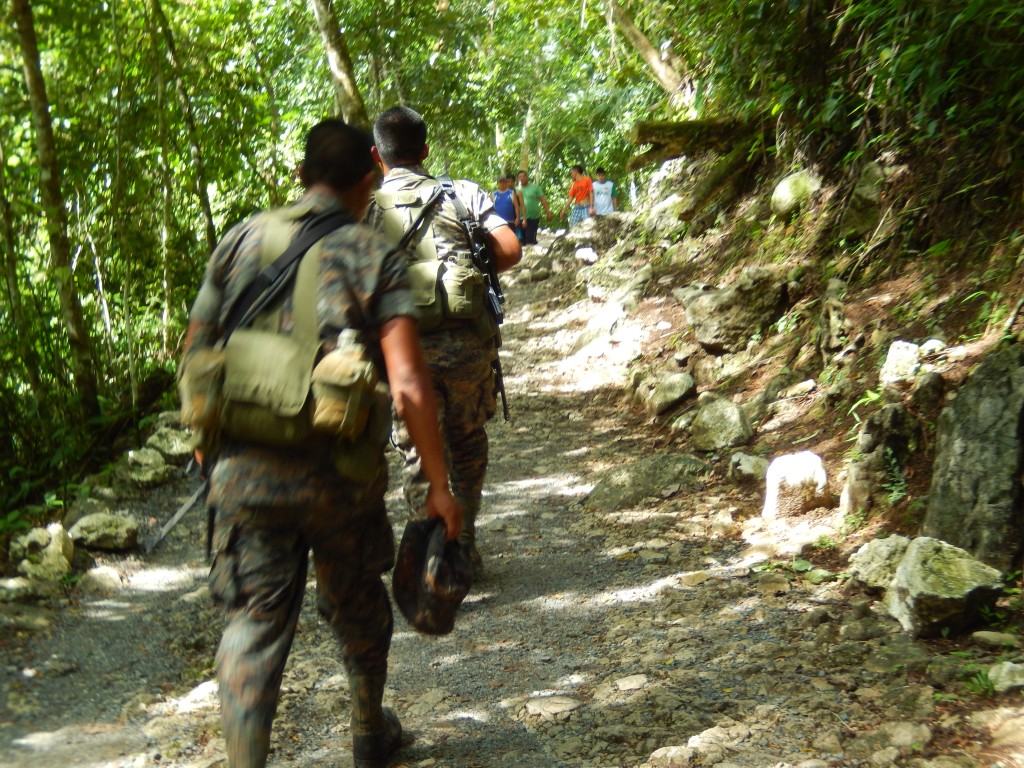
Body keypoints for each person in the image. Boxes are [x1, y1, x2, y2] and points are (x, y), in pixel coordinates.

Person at [181, 119, 461, 768]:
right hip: (341, 478)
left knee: (253, 626)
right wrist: (439, 487)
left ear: (301, 175)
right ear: (370, 171)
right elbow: (411, 381)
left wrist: (207, 448)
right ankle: (368, 735)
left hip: (245, 476)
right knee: (358, 606)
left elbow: (196, 348)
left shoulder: (238, 241)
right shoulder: (373, 253)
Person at [367, 106, 522, 574]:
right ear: (426, 150)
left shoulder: (365, 206)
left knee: (417, 443)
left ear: (377, 156)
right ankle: (466, 540)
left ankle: (437, 550)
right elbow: (510, 249)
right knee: (468, 437)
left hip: (401, 350)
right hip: (467, 346)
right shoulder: (462, 193)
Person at [516, 170, 550, 245]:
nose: (522, 178)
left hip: (533, 218)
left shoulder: (535, 187)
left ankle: (531, 255)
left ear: (527, 177)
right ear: (518, 179)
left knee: (530, 241)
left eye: (524, 176)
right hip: (520, 218)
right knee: (520, 242)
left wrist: (548, 212)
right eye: (520, 177)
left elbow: (543, 200)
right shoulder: (516, 190)